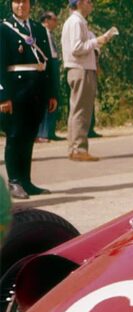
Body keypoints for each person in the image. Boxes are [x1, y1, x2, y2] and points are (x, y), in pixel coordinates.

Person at [0, 0, 58, 199]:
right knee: (15, 136)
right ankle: (14, 181)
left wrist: (52, 93)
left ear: (30, 4)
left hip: (36, 90)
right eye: (16, 2)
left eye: (24, 2)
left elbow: (48, 63)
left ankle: (26, 180)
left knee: (28, 137)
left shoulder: (38, 30)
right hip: (15, 92)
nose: (20, 6)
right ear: (11, 5)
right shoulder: (4, 29)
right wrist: (3, 96)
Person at [62, 0, 114, 162]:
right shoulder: (76, 22)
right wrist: (98, 40)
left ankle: (75, 147)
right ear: (80, 3)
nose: (91, 4)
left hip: (80, 68)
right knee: (81, 110)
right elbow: (77, 48)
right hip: (81, 69)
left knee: (77, 109)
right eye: (89, 1)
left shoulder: (76, 22)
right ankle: (78, 148)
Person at [35, 11, 62, 143]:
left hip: (53, 64)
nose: (56, 23)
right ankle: (42, 132)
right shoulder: (40, 32)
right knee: (45, 98)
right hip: (46, 65)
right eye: (54, 19)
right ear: (46, 20)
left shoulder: (50, 34)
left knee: (54, 96)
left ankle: (50, 131)